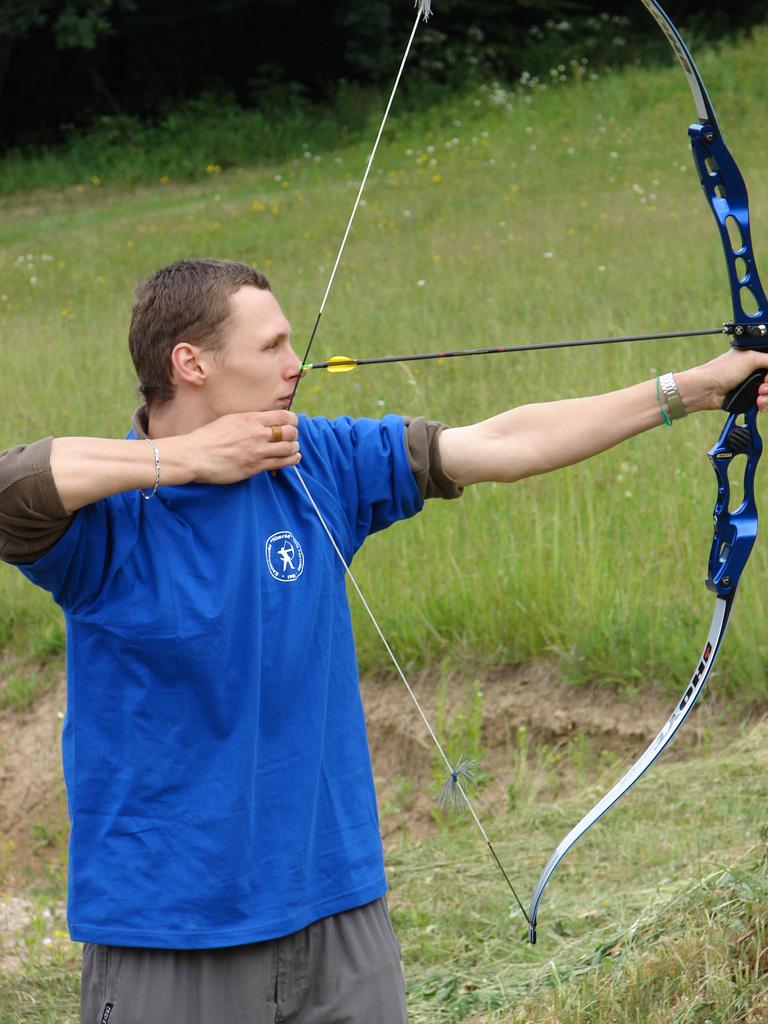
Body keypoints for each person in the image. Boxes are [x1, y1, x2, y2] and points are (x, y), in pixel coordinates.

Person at [1, 257, 767, 1024]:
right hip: (172, 931)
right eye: (271, 346)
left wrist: (696, 389)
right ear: (190, 363)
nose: (295, 364)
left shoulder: (314, 459)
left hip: (339, 913)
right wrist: (188, 461)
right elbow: (11, 484)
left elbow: (501, 443)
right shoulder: (111, 518)